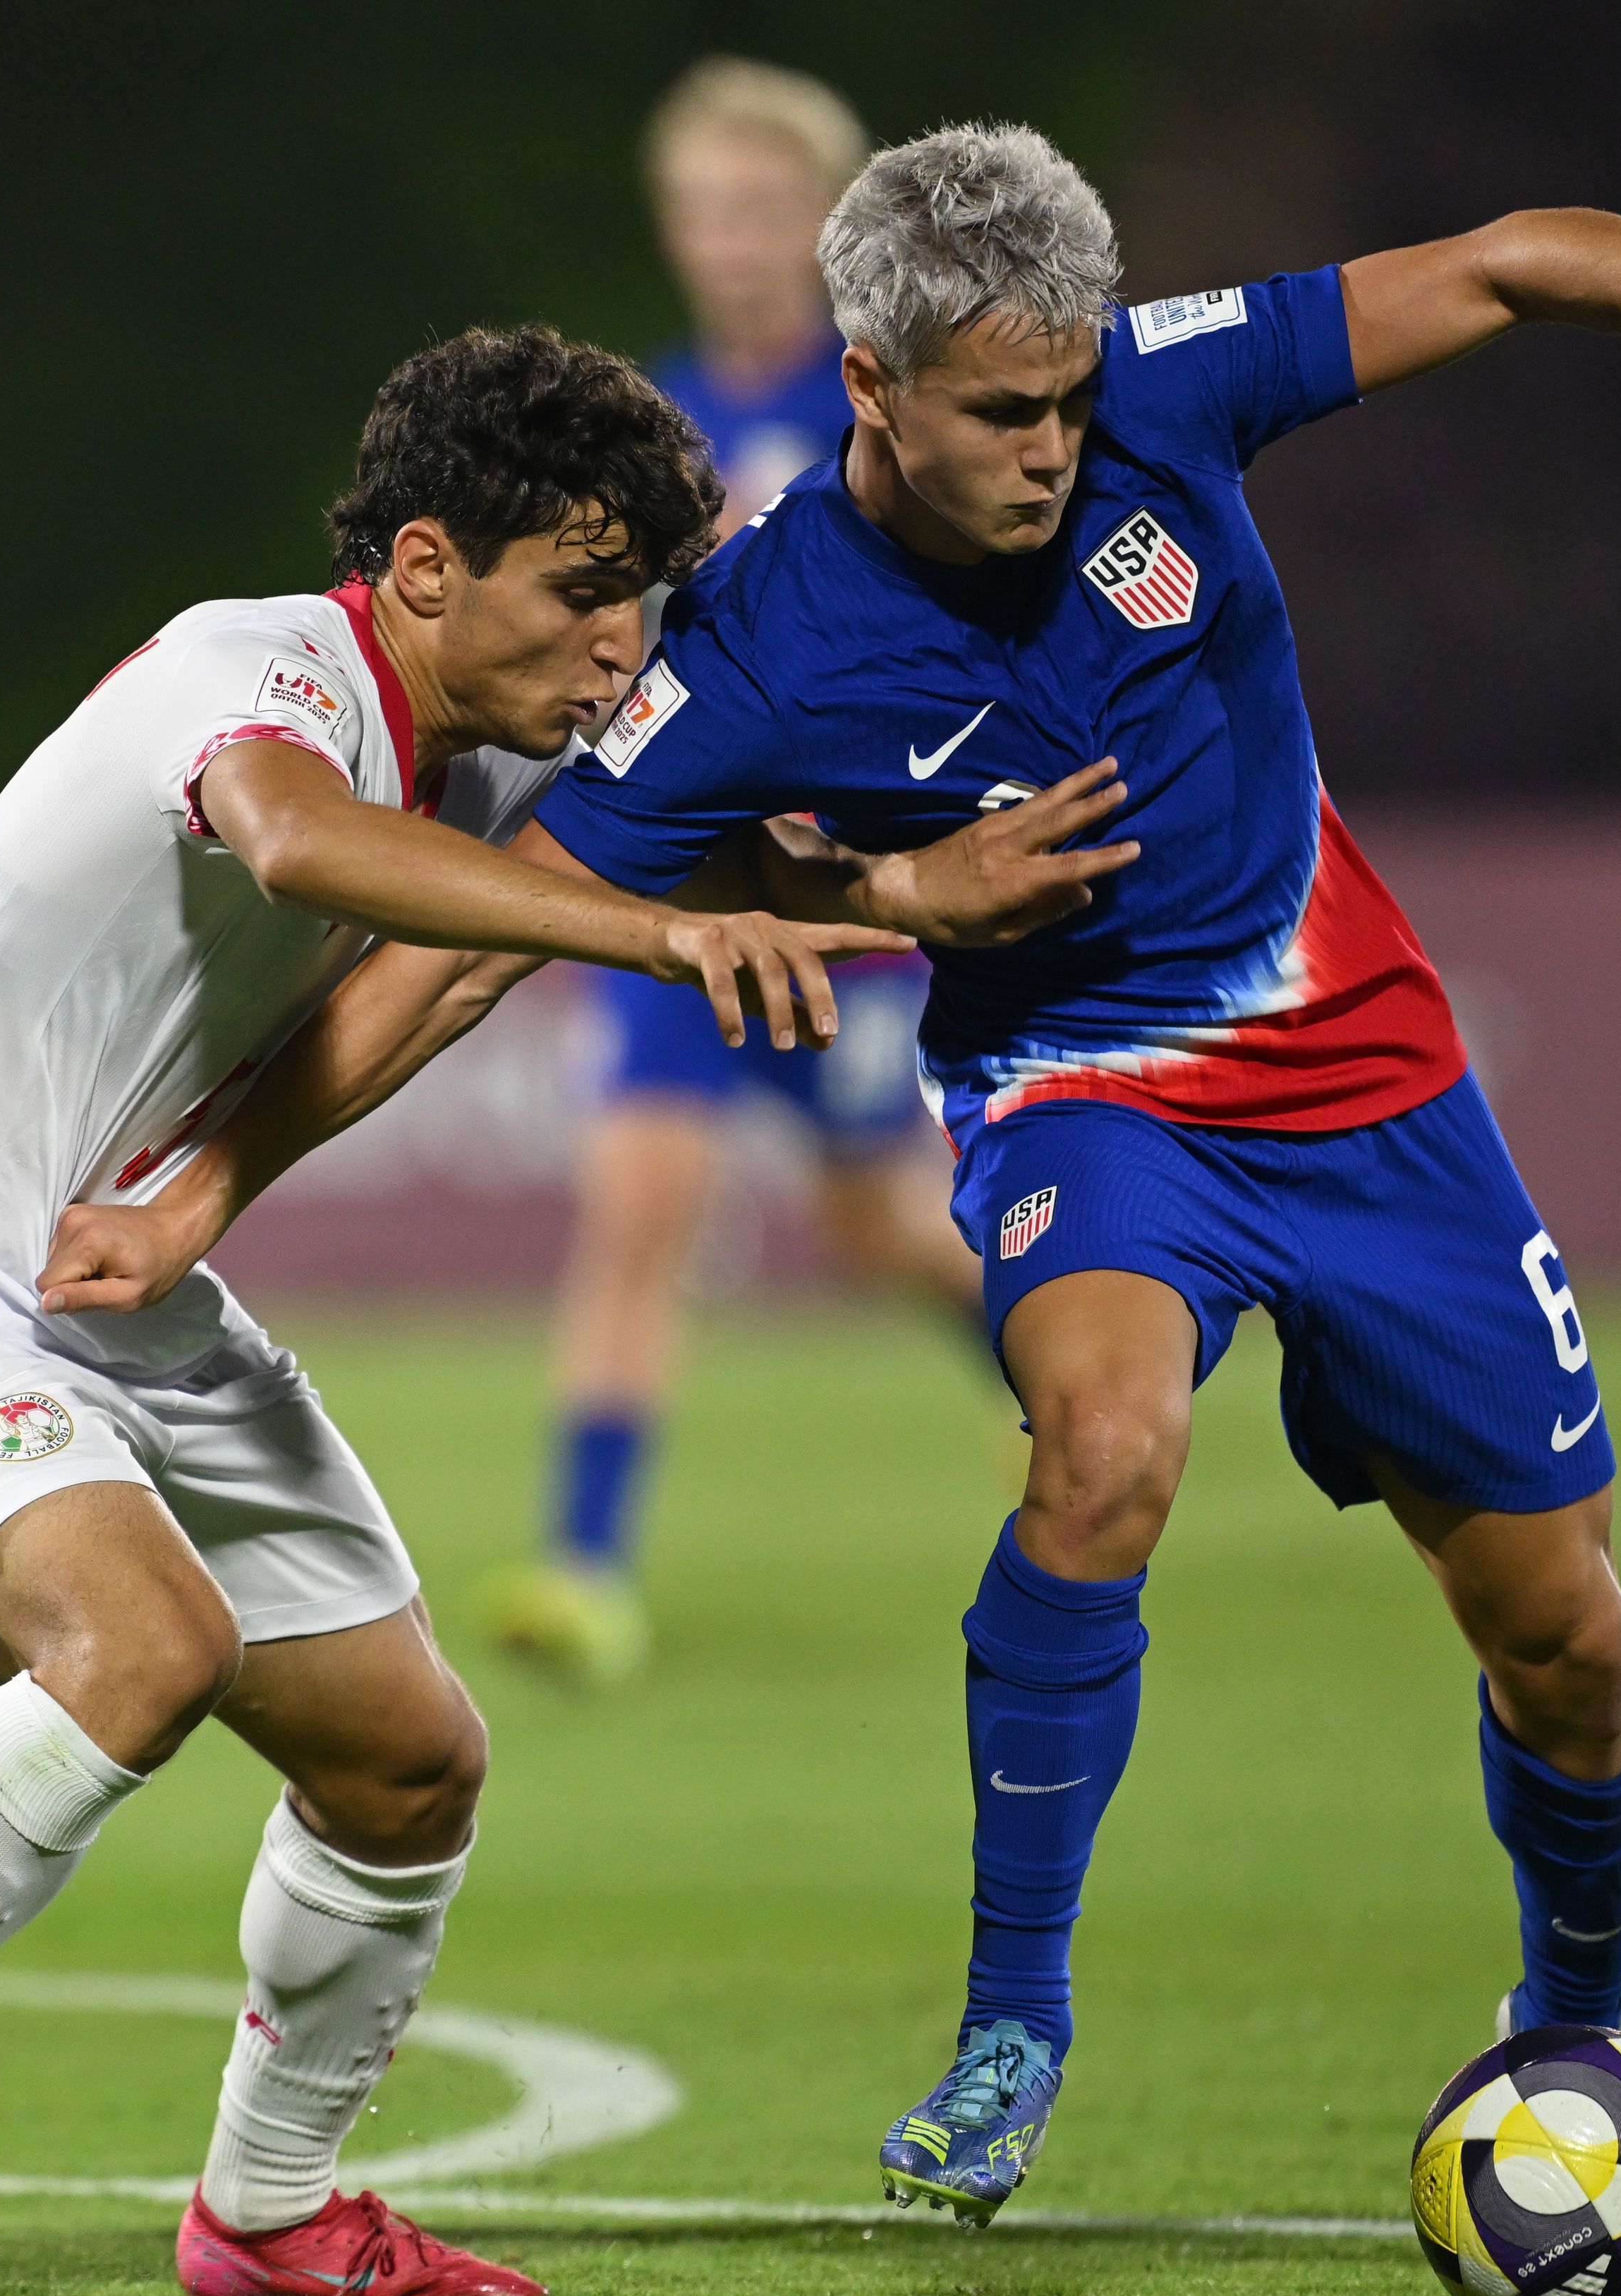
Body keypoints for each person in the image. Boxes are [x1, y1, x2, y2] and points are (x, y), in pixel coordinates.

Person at [39, 123, 1621, 2233]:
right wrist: (209, 1184)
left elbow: (1495, 263)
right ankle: (1013, 2021)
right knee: (1105, 1452)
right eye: (1004, 412)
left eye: (1067, 398)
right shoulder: (756, 645)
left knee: (1559, 1631)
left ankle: (1568, 2033)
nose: (1054, 445)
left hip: (1367, 1072)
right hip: (1079, 1088)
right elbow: (470, 943)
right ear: (871, 384)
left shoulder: (1167, 384)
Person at [0, 325, 1119, 2296]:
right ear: (424, 567)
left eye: (642, 601)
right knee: (144, 1649)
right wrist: (661, 932)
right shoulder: (256, 671)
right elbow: (301, 842)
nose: (620, 647)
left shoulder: (485, 754)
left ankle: (267, 2213)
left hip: (129, 1300)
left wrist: (906, 897)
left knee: (410, 1765)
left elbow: (686, 866)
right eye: (582, 593)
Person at [499, 60, 976, 1688]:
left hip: (842, 900)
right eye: (706, 209)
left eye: (764, 207)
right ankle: (586, 1569)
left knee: (878, 1231)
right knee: (638, 1212)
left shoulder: (897, 414)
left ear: (830, 226)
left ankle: (1084, 1386)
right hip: (677, 888)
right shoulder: (643, 425)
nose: (733, 239)